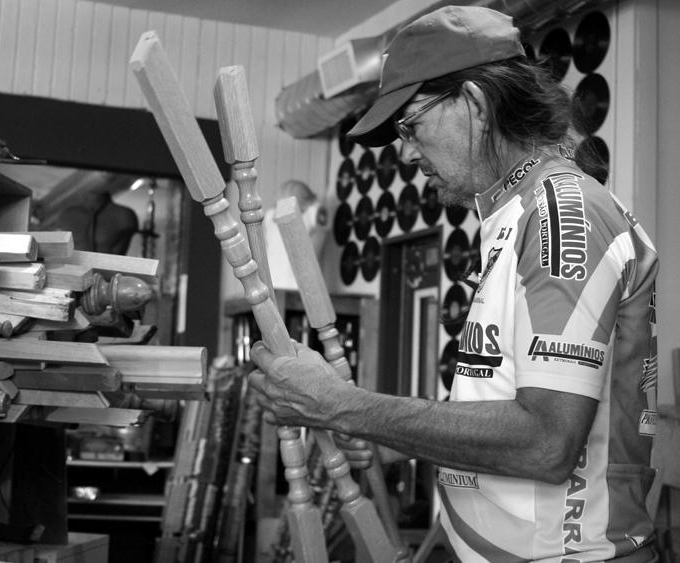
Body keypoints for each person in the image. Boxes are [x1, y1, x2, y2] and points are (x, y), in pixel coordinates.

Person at [248, 5, 659, 562]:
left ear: (475, 104)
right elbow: (499, 404)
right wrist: (386, 438)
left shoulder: (565, 217)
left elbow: (545, 442)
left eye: (410, 126)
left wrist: (343, 406)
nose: (407, 152)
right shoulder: (512, 215)